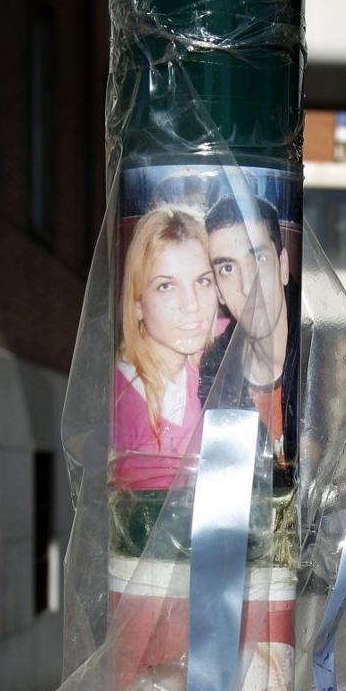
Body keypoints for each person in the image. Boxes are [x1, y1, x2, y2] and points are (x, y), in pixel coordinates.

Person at [112, 207, 218, 492]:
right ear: (137, 303)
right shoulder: (117, 396)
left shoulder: (208, 364)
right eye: (166, 286)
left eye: (202, 281)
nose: (191, 303)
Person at [202, 193, 297, 468]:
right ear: (218, 290)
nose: (247, 286)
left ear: (283, 267)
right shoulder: (209, 374)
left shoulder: (324, 368)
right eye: (228, 268)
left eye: (258, 260)